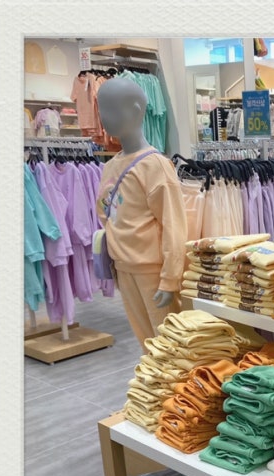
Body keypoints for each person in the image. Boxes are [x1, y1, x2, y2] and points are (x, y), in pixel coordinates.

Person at [96, 77, 187, 350]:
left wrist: (170, 279)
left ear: (136, 111)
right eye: (101, 109)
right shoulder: (110, 165)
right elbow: (106, 213)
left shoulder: (156, 166)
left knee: (169, 346)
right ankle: (152, 379)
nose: (104, 117)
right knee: (146, 343)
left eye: (112, 109)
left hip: (152, 271)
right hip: (123, 268)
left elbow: (174, 225)